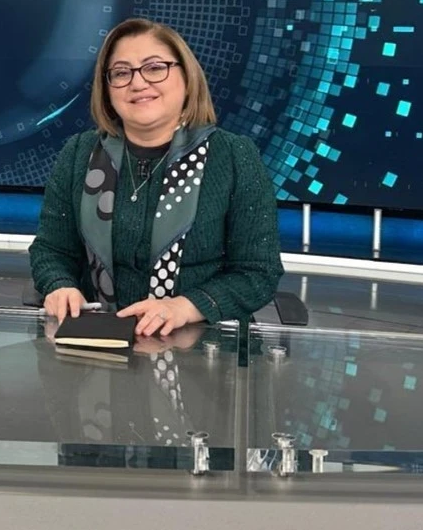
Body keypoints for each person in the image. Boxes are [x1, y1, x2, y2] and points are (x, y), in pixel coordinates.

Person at [29, 18, 283, 336]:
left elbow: (258, 272)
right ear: (107, 90)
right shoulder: (79, 153)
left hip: (201, 344)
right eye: (121, 73)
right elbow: (52, 250)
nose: (137, 83)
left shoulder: (234, 156)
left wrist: (185, 307)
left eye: (154, 68)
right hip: (98, 341)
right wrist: (59, 285)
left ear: (187, 77)